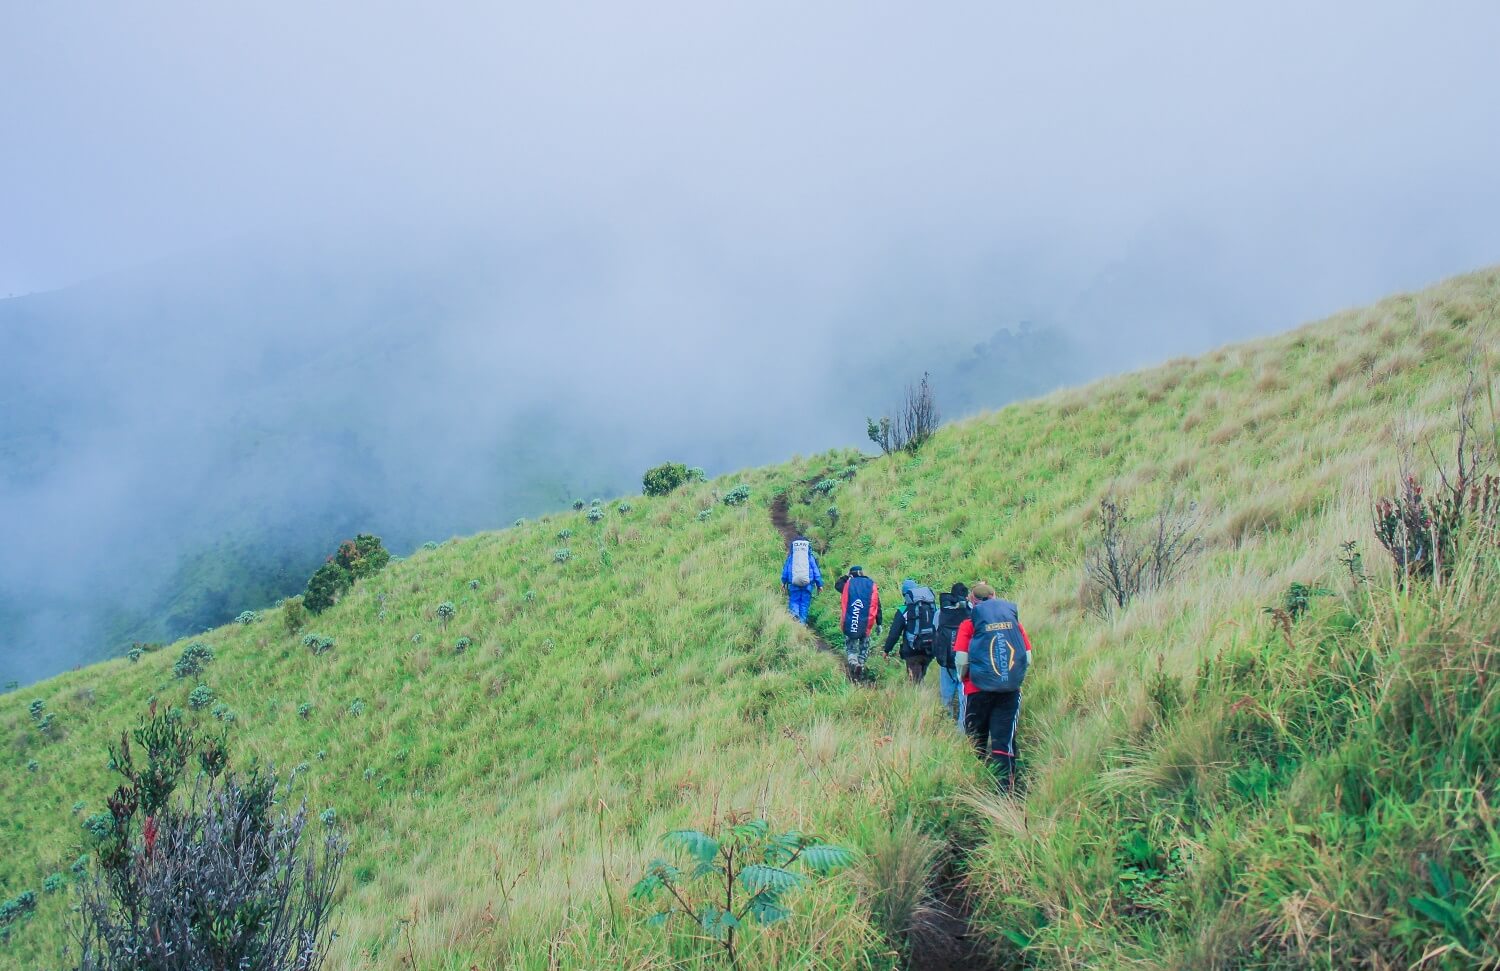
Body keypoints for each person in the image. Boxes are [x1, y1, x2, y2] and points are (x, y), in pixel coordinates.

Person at [953, 582, 1031, 791]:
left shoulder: (969, 625)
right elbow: (1028, 657)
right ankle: (1006, 789)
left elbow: (961, 660)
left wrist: (964, 679)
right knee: (1003, 740)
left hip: (976, 691)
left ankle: (976, 785)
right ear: (994, 597)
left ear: (972, 601)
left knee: (975, 740)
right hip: (1009, 691)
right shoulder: (1014, 623)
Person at [881, 579, 939, 683]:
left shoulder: (903, 610)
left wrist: (887, 650)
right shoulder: (931, 607)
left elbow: (894, 633)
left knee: (915, 682)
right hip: (929, 649)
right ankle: (926, 696)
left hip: (913, 651)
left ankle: (919, 698)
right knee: (921, 677)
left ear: (905, 594)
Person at [934, 582, 971, 727]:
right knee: (964, 699)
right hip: (965, 660)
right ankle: (962, 730)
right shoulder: (971, 611)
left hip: (946, 660)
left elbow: (936, 631)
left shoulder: (940, 612)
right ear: (966, 596)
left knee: (946, 697)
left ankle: (946, 728)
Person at [838, 566, 880, 679]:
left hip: (850, 621)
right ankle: (861, 665)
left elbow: (837, 585)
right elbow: (877, 605)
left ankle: (854, 663)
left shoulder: (849, 584)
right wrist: (879, 623)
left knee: (851, 646)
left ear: (852, 574)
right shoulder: (871, 584)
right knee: (864, 646)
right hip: (867, 623)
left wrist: (847, 576)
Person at [780, 535, 823, 624]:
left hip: (794, 584)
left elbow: (786, 570)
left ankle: (795, 619)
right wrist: (819, 584)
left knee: (794, 601)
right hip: (807, 585)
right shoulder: (810, 557)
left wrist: (784, 582)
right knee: (804, 603)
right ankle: (802, 624)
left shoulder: (791, 557)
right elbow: (816, 571)